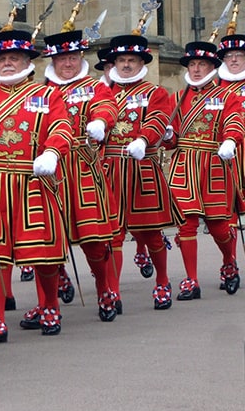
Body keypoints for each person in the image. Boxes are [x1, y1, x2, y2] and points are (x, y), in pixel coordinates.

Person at [0, 30, 73, 341]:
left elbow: (62, 126)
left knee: (43, 251)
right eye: (2, 59)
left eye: (13, 58)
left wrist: (52, 151)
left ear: (27, 62)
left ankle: (49, 306)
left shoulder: (47, 96)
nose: (7, 64)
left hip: (33, 179)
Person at [23, 30, 119, 324]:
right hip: (49, 172)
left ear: (80, 57)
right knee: (43, 241)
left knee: (93, 239)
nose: (68, 63)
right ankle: (47, 302)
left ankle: (105, 289)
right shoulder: (37, 91)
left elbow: (107, 106)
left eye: (73, 57)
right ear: (53, 59)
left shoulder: (94, 87)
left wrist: (101, 122)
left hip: (82, 169)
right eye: (62, 57)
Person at [103, 34, 181, 311]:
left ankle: (162, 280)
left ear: (140, 63)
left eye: (131, 61)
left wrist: (145, 138)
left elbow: (159, 118)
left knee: (150, 233)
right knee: (112, 235)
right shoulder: (104, 93)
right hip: (109, 169)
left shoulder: (155, 92)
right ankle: (112, 291)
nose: (125, 65)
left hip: (141, 168)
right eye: (121, 60)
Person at [163, 41, 243, 300]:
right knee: (185, 224)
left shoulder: (226, 96)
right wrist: (167, 135)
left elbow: (235, 120)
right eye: (193, 64)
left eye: (202, 64)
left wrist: (230, 140)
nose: (196, 69)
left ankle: (229, 261)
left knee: (219, 226)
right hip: (185, 163)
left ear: (212, 67)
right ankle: (191, 279)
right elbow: (171, 140)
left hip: (214, 163)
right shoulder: (177, 98)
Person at [215, 33, 245, 293]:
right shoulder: (214, 85)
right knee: (229, 213)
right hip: (227, 155)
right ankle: (230, 263)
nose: (234, 60)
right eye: (229, 56)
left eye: (239, 56)